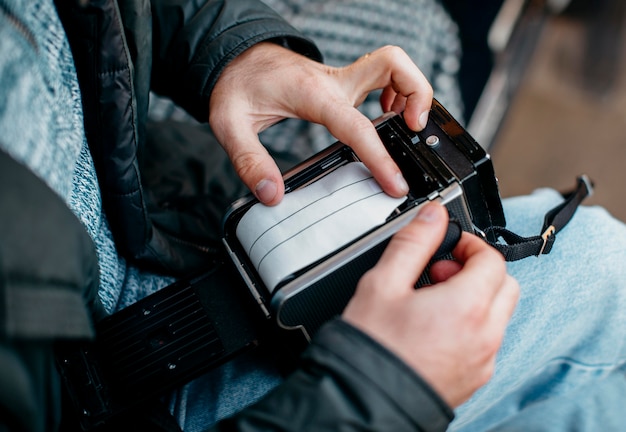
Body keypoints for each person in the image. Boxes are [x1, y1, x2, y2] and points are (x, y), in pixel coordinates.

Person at [1, 1, 626, 432]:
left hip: (162, 230)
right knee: (607, 283)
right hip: (139, 394)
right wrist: (379, 389)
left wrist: (235, 53)